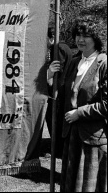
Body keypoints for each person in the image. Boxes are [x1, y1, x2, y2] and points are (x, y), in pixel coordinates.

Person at [48, 17, 107, 192]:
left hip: (93, 138)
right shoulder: (75, 62)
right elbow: (62, 97)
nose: (80, 40)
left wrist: (79, 113)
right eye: (78, 35)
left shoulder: (104, 64)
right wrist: (50, 77)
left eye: (86, 35)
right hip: (72, 136)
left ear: (96, 38)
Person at [46, 27, 73, 158]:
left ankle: (58, 149)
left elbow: (58, 71)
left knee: (55, 120)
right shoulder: (62, 47)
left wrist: (52, 87)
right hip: (62, 90)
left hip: (59, 90)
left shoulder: (58, 48)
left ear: (50, 37)